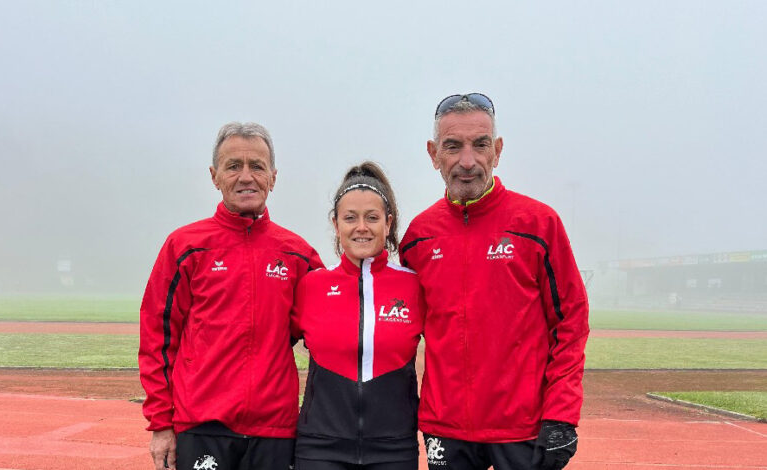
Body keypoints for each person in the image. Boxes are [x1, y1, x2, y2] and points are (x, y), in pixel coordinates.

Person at [399, 94, 589, 470]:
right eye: (453, 146)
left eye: (480, 144)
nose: (467, 161)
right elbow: (397, 330)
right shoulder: (418, 237)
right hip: (445, 427)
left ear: (497, 150)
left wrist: (562, 414)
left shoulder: (538, 224)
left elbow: (571, 321)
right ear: (433, 153)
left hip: (521, 429)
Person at [139, 122, 323, 470]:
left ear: (273, 176)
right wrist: (161, 424)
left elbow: (327, 330)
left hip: (275, 430)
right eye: (233, 166)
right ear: (214, 176)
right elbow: (157, 337)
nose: (246, 176)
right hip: (202, 426)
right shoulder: (185, 247)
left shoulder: (298, 256)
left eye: (257, 166)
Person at [291, 162, 424, 470]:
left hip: (394, 448)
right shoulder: (312, 286)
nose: (361, 227)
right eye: (350, 218)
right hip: (320, 448)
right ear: (336, 224)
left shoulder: (413, 286)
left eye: (372, 218)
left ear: (388, 224)